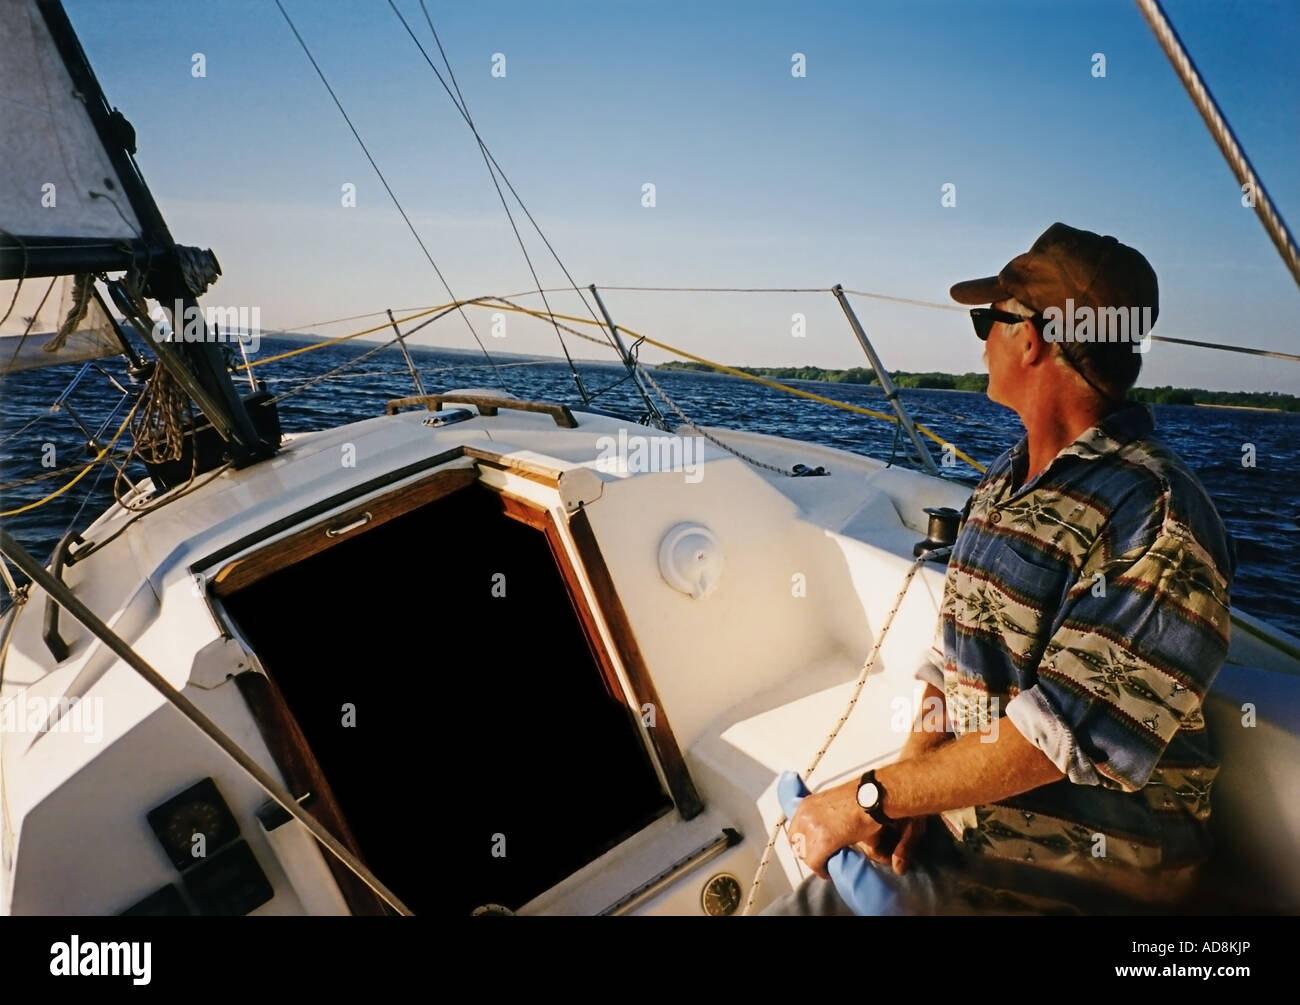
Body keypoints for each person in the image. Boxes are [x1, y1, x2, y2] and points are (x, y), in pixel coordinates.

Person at [765, 222, 1235, 915]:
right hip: (965, 842)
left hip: (1073, 886)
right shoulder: (1003, 483)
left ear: (1034, 337)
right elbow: (949, 655)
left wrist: (869, 796)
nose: (980, 339)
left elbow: (1056, 737)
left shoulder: (1158, 516)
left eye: (989, 318)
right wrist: (905, 792)